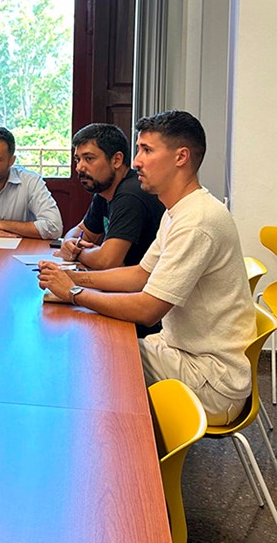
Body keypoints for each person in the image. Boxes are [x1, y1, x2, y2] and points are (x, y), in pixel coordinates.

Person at [38, 110, 255, 425]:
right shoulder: (178, 210)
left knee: (91, 362)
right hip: (179, 351)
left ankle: (119, 452)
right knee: (95, 346)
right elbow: (140, 275)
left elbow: (147, 310)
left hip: (211, 379)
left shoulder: (197, 221)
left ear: (181, 157)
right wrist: (73, 277)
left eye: (147, 150)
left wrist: (73, 292)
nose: (136, 161)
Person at [57, 123, 165, 269]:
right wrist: (69, 242)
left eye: (89, 159)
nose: (79, 167)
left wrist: (78, 252)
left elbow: (107, 261)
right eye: (78, 159)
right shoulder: (104, 191)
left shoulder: (130, 194)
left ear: (116, 160)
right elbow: (83, 231)